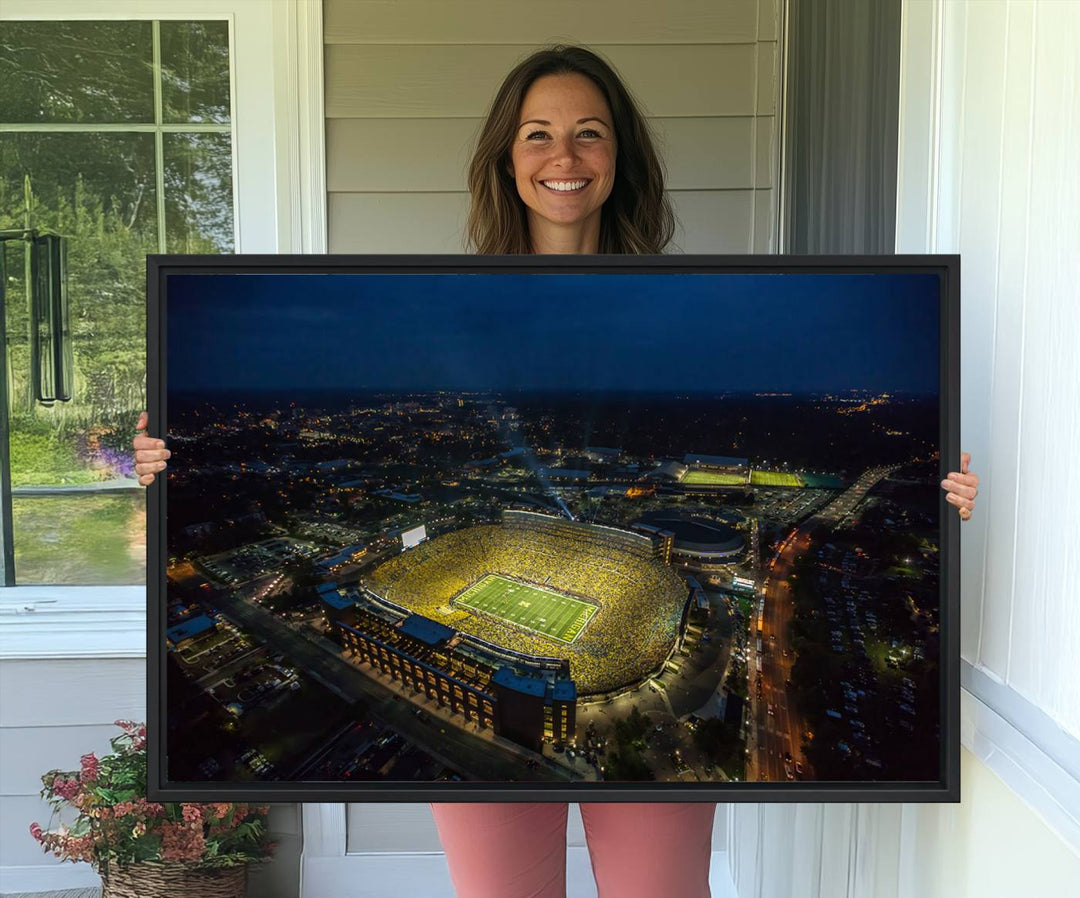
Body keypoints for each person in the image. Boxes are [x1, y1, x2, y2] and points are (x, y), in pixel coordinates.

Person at [133, 45, 980, 898]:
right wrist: (170, 466)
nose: (564, 157)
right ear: (507, 157)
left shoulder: (680, 303)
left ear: (621, 157)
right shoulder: (453, 303)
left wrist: (938, 505)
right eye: (537, 134)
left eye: (589, 133)